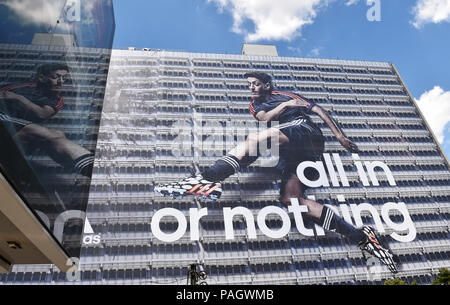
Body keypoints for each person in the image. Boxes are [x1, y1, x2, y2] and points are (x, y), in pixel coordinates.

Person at [155, 71, 398, 274]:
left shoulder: (287, 94)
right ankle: (359, 236)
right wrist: (284, 106)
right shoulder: (257, 104)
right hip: (295, 149)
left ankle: (208, 179)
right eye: (249, 84)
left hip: (305, 131)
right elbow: (265, 118)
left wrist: (339, 135)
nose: (251, 87)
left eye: (256, 83)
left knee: (256, 140)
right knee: (291, 200)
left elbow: (318, 110)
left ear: (267, 85)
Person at [0, 63, 94, 177]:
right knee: (43, 133)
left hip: (13, 131)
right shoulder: (17, 87)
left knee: (57, 134)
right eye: (55, 77)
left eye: (64, 78)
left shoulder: (57, 99)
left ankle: (87, 166)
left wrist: (18, 98)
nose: (61, 82)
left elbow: (42, 114)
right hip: (3, 120)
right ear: (41, 78)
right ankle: (91, 167)